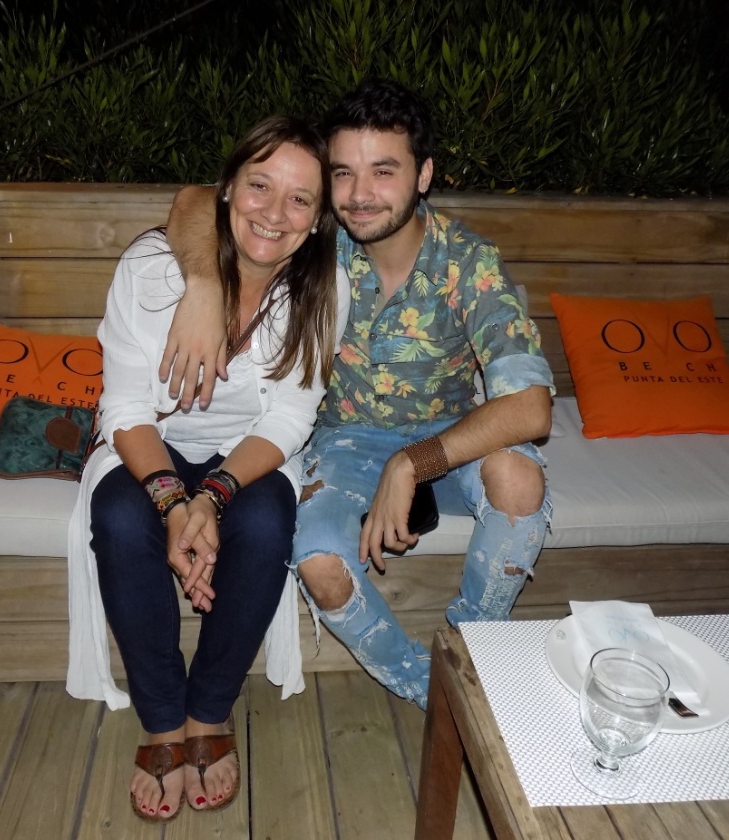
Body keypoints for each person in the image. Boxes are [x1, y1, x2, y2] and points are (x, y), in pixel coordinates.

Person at [162, 79, 554, 710]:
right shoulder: (316, 243)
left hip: (453, 438)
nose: (360, 195)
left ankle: (476, 650)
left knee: (519, 480)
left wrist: (413, 462)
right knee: (318, 560)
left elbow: (532, 408)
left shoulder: (468, 261)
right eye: (342, 173)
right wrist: (204, 286)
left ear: (423, 175)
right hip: (344, 442)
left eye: (384, 171)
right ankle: (437, 693)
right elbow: (190, 203)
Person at [65, 115, 348, 822]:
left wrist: (211, 501)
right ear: (226, 191)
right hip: (149, 441)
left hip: (248, 452)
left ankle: (209, 712)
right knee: (121, 517)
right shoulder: (154, 269)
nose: (273, 213)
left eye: (299, 200)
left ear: (316, 222)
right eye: (259, 186)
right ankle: (163, 720)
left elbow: (287, 420)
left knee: (267, 517)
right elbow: (126, 405)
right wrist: (172, 501)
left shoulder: (323, 288)